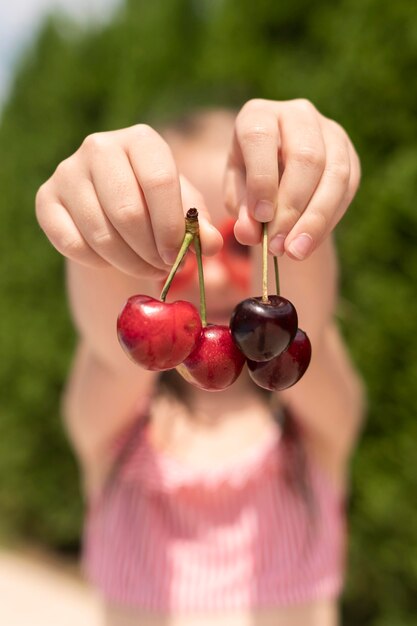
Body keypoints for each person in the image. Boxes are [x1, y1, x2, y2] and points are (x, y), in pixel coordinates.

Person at [35, 99, 366, 626]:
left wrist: (301, 206)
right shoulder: (118, 429)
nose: (210, 273)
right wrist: (95, 223)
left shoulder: (311, 423)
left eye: (242, 247)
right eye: (176, 252)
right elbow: (111, 347)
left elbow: (311, 321)